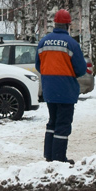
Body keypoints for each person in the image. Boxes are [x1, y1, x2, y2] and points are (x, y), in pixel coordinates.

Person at [35, 9, 87, 164]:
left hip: (49, 90)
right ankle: (59, 158)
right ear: (68, 25)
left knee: (52, 122)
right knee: (63, 124)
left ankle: (49, 155)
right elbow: (81, 69)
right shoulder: (71, 44)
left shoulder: (44, 42)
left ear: (55, 24)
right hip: (66, 90)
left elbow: (39, 65)